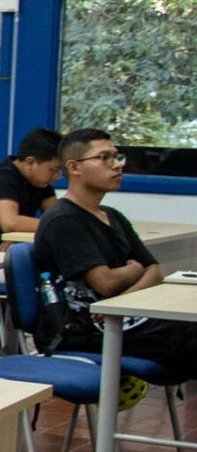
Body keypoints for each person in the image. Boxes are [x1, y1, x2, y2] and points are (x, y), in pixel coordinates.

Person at [35, 128, 197, 379]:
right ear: (74, 167)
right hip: (85, 329)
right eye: (104, 158)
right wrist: (134, 269)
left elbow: (154, 271)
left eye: (117, 156)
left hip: (119, 316)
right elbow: (106, 283)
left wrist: (124, 301)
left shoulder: (113, 216)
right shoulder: (64, 220)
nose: (117, 165)